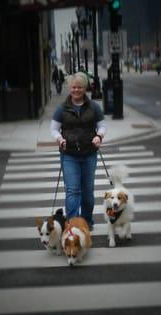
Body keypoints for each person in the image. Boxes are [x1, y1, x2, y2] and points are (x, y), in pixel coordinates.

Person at [50, 72, 106, 230]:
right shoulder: (62, 108)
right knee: (73, 190)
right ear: (70, 88)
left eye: (80, 87)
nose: (76, 90)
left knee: (87, 193)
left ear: (85, 88)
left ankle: (87, 222)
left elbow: (102, 125)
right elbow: (54, 129)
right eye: (74, 87)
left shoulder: (94, 107)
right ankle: (73, 224)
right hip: (69, 155)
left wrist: (99, 136)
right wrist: (59, 139)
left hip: (89, 154)